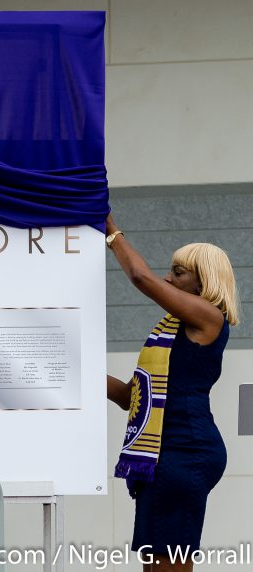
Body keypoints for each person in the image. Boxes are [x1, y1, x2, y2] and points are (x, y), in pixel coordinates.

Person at [105, 215, 239, 571]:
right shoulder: (171, 332)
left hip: (184, 453)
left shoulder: (210, 318)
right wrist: (73, 368)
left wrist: (110, 229)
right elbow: (129, 399)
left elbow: (140, 277)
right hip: (164, 456)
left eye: (178, 272)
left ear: (202, 282)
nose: (168, 277)